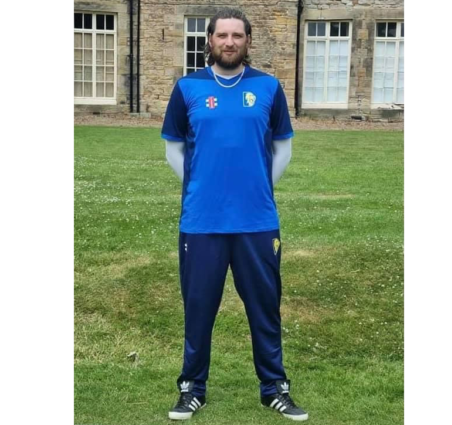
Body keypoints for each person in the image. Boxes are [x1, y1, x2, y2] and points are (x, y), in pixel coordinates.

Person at [160, 7, 308, 422]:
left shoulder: (267, 87)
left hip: (257, 221)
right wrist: (200, 186)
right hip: (201, 221)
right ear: (209, 40)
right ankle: (192, 388)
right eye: (221, 35)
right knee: (199, 308)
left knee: (265, 307)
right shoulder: (188, 87)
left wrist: (258, 185)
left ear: (247, 40)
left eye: (236, 36)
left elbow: (283, 146)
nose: (229, 42)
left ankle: (274, 388)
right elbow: (174, 147)